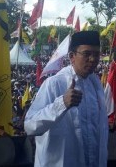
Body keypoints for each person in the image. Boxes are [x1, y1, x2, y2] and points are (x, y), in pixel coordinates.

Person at [24, 30, 108, 167]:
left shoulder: (96, 84)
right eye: (87, 54)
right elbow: (30, 126)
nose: (93, 59)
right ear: (72, 56)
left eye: (96, 54)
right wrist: (61, 104)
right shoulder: (54, 84)